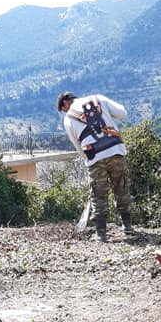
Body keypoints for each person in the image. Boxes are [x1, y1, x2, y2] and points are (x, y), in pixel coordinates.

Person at [57, 91, 133, 243]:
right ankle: (127, 226)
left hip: (94, 156)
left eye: (63, 109)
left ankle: (101, 234)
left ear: (65, 102)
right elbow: (122, 113)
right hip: (115, 149)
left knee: (98, 193)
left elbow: (77, 145)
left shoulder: (68, 118)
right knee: (121, 187)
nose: (64, 112)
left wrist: (88, 159)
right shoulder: (98, 98)